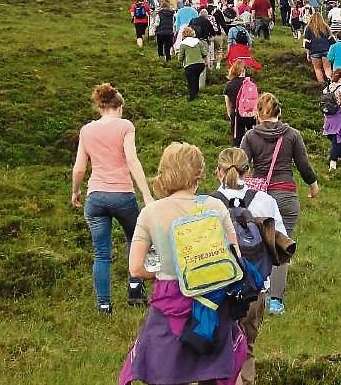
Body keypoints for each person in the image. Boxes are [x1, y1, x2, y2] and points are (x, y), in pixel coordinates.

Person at [123, 142, 244, 385]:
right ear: (199, 174)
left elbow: (135, 268)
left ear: (164, 172)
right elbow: (236, 258)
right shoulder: (215, 206)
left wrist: (160, 272)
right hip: (212, 300)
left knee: (166, 372)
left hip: (168, 301)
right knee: (217, 371)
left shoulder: (150, 213)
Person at [71, 83, 154, 313]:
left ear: (100, 107)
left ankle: (104, 304)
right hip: (123, 195)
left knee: (101, 253)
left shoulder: (86, 130)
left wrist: (75, 191)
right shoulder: (125, 126)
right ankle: (135, 290)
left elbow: (79, 168)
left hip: (95, 197)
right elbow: (132, 161)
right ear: (120, 107)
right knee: (135, 240)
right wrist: (146, 194)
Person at [213, 147, 287, 385]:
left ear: (218, 172)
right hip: (254, 290)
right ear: (248, 172)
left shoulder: (206, 204)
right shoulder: (266, 201)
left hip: (217, 290)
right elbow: (282, 246)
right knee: (246, 348)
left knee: (215, 352)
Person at [240, 93, 319, 315]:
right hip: (286, 196)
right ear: (279, 112)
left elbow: (241, 166)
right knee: (281, 245)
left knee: (257, 245)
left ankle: (257, 293)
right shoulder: (292, 135)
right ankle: (276, 302)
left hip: (259, 199)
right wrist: (313, 185)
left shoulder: (250, 136)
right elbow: (303, 165)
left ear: (257, 113)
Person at [224, 60, 258, 146]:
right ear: (243, 71)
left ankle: (238, 152)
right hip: (250, 114)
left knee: (237, 139)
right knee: (254, 137)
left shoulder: (229, 85)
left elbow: (228, 104)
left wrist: (231, 115)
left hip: (237, 115)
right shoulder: (250, 82)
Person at [177, 27, 209, 101]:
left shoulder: (183, 44)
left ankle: (192, 96)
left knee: (191, 81)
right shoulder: (198, 41)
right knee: (196, 79)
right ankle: (196, 94)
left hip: (189, 65)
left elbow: (180, 57)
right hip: (200, 64)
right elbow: (204, 53)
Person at [303, 12, 334, 85]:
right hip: (326, 50)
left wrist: (308, 54)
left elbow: (306, 44)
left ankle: (322, 85)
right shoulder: (325, 27)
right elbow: (332, 41)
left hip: (314, 51)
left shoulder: (308, 28)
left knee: (317, 69)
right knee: (328, 68)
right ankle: (331, 84)